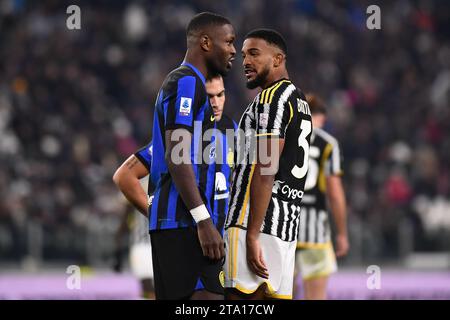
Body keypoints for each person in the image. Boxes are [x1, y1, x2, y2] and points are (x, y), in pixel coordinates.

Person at [223, 29, 313, 300]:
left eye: (253, 53)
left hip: (251, 221)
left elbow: (265, 170)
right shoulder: (300, 101)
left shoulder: (271, 99)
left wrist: (251, 235)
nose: (245, 62)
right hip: (286, 229)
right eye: (242, 55)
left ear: (277, 59)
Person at [294, 94, 349, 300]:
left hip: (284, 230)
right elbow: (335, 194)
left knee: (281, 294)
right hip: (315, 233)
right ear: (321, 117)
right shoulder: (328, 144)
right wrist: (342, 233)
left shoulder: (284, 139)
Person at [113, 143, 155, 299]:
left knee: (149, 289)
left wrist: (117, 249)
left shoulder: (135, 182)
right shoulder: (163, 180)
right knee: (152, 289)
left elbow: (124, 220)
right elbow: (125, 219)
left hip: (143, 244)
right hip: (151, 242)